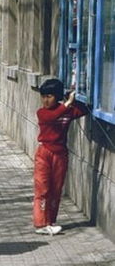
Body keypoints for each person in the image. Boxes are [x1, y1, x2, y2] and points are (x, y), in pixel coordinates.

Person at [33, 79, 87, 235]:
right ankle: (41, 223)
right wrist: (67, 103)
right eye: (43, 96)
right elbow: (51, 117)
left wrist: (74, 96)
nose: (45, 100)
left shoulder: (66, 111)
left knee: (56, 189)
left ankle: (51, 221)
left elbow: (82, 110)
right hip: (44, 153)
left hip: (60, 153)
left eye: (49, 96)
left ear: (56, 96)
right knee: (42, 188)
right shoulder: (42, 112)